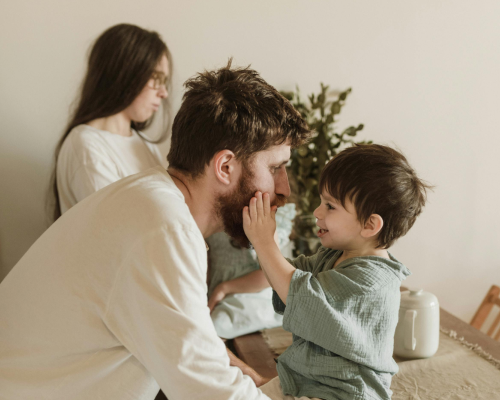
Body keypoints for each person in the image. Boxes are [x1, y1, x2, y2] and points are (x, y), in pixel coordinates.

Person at [0, 61, 311, 399]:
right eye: (275, 167)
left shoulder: (153, 202)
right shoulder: (164, 228)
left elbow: (190, 347)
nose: (284, 189)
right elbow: (209, 392)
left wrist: (247, 375)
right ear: (225, 166)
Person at [243, 144, 432, 400]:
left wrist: (265, 243)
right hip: (307, 383)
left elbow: (300, 295)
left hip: (344, 393)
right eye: (321, 202)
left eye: (330, 206)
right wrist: (267, 240)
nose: (317, 212)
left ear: (369, 225)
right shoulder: (336, 255)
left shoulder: (372, 279)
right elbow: (286, 277)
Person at [48, 23, 172, 221]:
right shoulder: (86, 146)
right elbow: (118, 228)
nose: (163, 92)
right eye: (156, 78)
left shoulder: (145, 145)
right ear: (125, 74)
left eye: (164, 81)